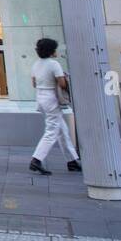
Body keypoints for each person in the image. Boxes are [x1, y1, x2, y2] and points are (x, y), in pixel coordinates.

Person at [29, 37, 81, 174]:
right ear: (52, 51)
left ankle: (72, 161)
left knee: (61, 130)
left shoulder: (36, 64)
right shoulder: (54, 64)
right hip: (51, 98)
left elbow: (33, 83)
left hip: (40, 97)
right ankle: (36, 159)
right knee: (52, 131)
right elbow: (62, 83)